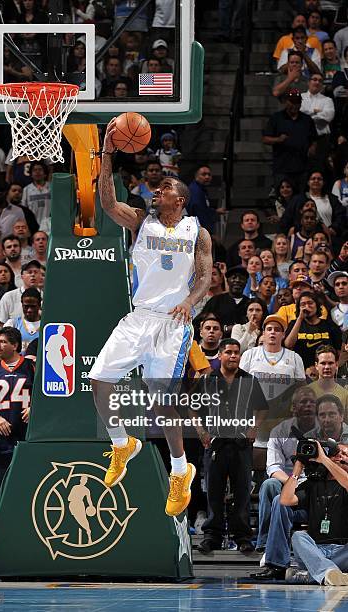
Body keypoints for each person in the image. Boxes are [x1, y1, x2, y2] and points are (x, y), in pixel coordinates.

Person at [88, 118, 212, 517]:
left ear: (180, 198)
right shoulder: (142, 220)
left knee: (161, 403)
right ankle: (122, 444)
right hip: (139, 316)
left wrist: (190, 302)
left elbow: (206, 276)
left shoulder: (197, 231)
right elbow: (106, 203)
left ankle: (180, 471)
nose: (156, 192)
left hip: (172, 324)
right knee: (99, 378)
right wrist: (107, 154)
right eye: (156, 190)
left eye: (164, 190)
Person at [194, 339, 269, 553]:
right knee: (214, 492)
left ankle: (243, 537)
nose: (233, 356)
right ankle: (212, 536)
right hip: (215, 443)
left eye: (236, 352)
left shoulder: (249, 380)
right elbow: (191, 408)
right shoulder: (208, 380)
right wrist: (200, 431)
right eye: (229, 352)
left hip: (241, 444)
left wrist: (254, 429)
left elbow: (262, 408)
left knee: (243, 491)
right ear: (220, 356)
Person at [254, 386, 317, 554]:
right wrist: (293, 483)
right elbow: (274, 468)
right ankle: (265, 542)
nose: (308, 406)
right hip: (287, 480)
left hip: (315, 482)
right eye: (304, 402)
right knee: (269, 484)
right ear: (293, 407)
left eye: (312, 402)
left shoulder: (323, 430)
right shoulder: (279, 431)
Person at [281, 439, 348, 585]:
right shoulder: (313, 483)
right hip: (314, 551)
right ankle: (330, 573)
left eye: (344, 454)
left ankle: (310, 576)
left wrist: (324, 459)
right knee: (298, 536)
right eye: (336, 453)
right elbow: (285, 500)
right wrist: (298, 466)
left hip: (343, 551)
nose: (339, 456)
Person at [0, 327, 34, 518]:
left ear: (15, 345)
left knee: (26, 487)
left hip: (25, 438)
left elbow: (47, 394)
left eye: (3, 342)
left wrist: (34, 408)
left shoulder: (31, 368)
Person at [240, 315, 306, 449]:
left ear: (283, 334)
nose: (272, 332)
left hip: (282, 420)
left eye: (277, 329)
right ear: (263, 333)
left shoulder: (294, 357)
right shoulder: (250, 354)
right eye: (269, 329)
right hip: (253, 421)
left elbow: (301, 390)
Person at [263, 89, 317, 193]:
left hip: (302, 167)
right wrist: (278, 139)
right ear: (286, 101)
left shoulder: (307, 119)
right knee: (283, 197)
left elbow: (314, 139)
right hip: (282, 168)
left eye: (297, 102)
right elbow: (265, 139)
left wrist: (313, 147)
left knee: (301, 197)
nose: (295, 105)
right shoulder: (276, 118)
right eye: (292, 102)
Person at [285, 292, 341, 370]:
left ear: (317, 305)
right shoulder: (294, 324)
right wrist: (300, 318)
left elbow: (338, 350)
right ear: (299, 307)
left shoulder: (329, 324)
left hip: (325, 370)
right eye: (303, 304)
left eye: (310, 303)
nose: (307, 307)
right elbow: (288, 345)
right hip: (301, 370)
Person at [201, 266, 250, 332]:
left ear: (246, 282)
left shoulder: (250, 303)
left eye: (241, 278)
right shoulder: (216, 301)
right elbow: (200, 322)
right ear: (227, 281)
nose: (237, 280)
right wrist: (224, 328)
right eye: (234, 277)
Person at [0, 260, 42, 325]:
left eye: (35, 272)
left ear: (40, 276)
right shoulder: (9, 296)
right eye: (29, 272)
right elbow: (0, 321)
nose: (33, 275)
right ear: (22, 276)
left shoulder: (47, 297)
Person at [309, 345, 348, 416]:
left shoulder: (345, 395)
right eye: (323, 363)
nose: (327, 367)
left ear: (336, 365)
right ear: (316, 365)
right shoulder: (306, 393)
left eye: (330, 363)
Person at [4, 287, 41, 354]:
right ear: (22, 305)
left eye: (33, 306)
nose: (29, 310)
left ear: (39, 305)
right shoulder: (12, 324)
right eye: (26, 306)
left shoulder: (46, 326)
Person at [187, 166, 216, 236]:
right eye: (204, 174)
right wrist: (210, 232)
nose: (207, 177)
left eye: (209, 174)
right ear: (196, 176)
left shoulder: (201, 189)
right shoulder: (195, 190)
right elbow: (199, 212)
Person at [20, 161, 51, 227]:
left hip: (50, 224)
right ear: (31, 174)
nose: (37, 172)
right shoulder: (26, 189)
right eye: (34, 170)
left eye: (40, 170)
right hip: (33, 225)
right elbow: (24, 209)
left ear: (45, 174)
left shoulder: (52, 188)